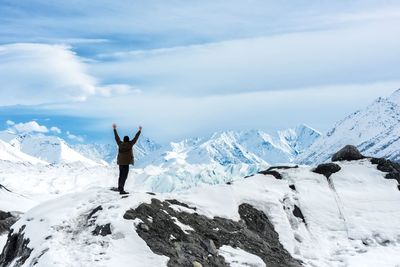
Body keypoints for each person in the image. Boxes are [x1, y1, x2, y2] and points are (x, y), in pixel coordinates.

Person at [112, 123, 142, 195]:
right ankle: (121, 190)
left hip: (120, 163)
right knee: (124, 176)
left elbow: (117, 137)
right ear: (128, 140)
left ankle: (120, 187)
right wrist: (139, 131)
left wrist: (114, 129)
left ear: (123, 140)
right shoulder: (130, 144)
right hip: (126, 163)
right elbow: (135, 138)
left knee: (120, 175)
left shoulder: (120, 144)